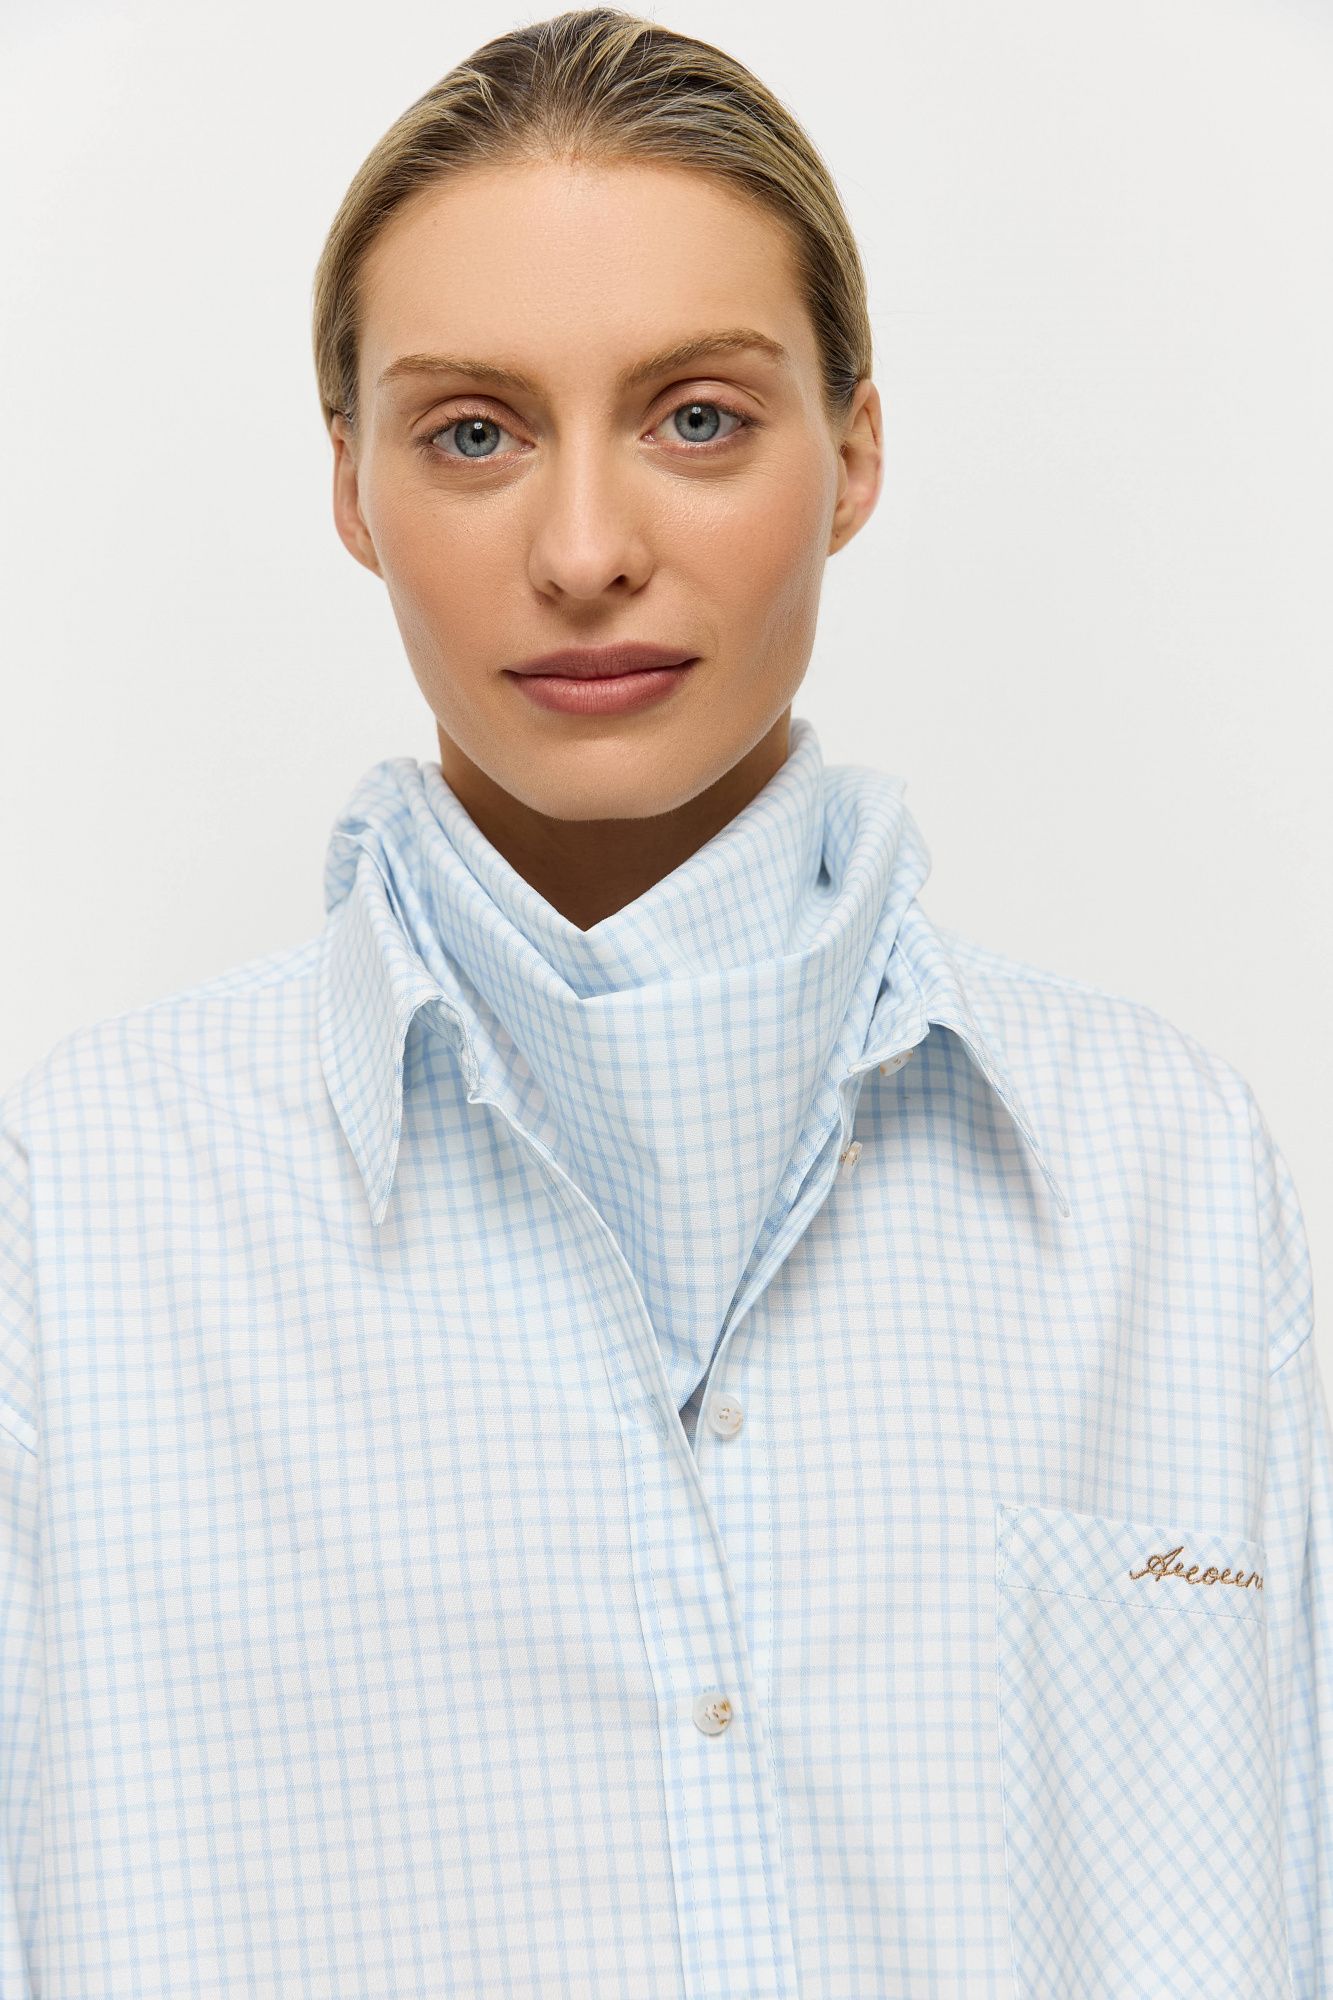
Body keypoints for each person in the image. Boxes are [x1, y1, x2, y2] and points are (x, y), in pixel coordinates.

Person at [1, 8, 1327, 1995]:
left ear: (851, 453)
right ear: (351, 488)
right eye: (473, 433)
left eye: (697, 418)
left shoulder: (1164, 1174)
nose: (585, 552)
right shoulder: (83, 1214)